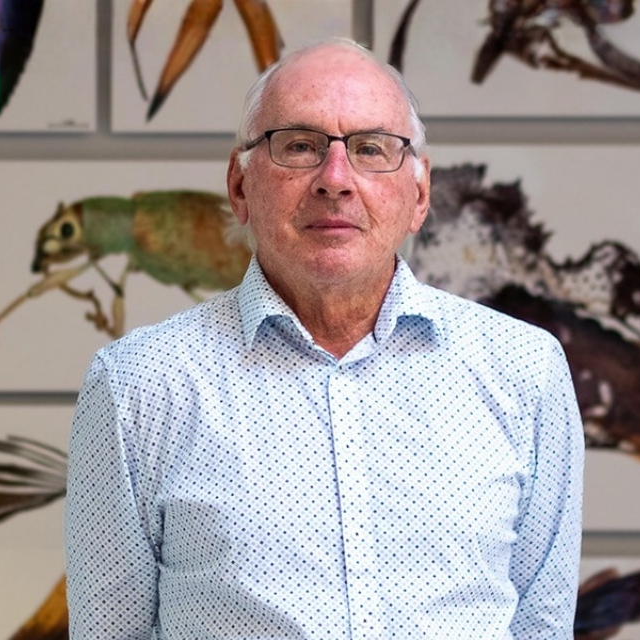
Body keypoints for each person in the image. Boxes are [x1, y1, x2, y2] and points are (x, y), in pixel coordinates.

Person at [64, 38, 584, 638]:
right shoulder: (138, 384)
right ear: (239, 187)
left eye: (371, 148)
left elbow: (542, 627)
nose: (335, 179)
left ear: (418, 195)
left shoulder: (525, 369)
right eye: (300, 146)